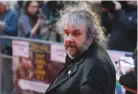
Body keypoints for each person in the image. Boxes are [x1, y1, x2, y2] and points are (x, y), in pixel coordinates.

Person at [45, 3, 116, 94]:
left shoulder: (95, 67)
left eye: (76, 34)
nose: (69, 39)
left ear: (90, 36)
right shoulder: (78, 51)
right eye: (66, 33)